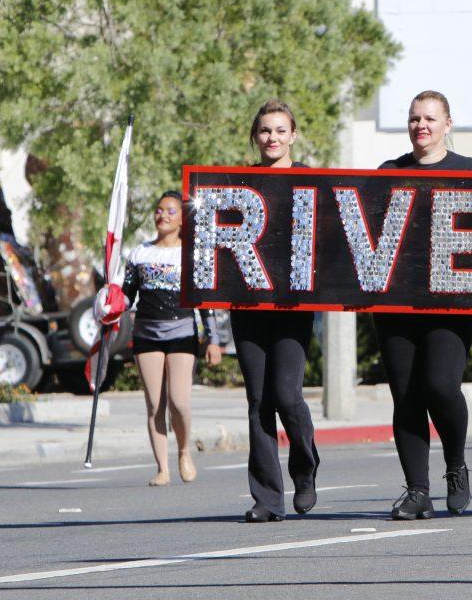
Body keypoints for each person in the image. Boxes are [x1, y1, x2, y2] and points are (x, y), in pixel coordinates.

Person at [375, 90, 472, 520]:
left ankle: (456, 465)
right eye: (415, 118)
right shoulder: (389, 171)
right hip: (396, 303)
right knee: (406, 395)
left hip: (451, 301)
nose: (421, 125)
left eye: (430, 119)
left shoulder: (469, 170)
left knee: (440, 386)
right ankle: (416, 490)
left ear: (447, 124)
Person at [233, 99, 319, 522]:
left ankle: (305, 469)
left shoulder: (309, 182)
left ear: (293, 135)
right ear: (256, 136)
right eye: (265, 131)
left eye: (280, 130)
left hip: (291, 307)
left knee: (286, 395)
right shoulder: (240, 183)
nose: (272, 138)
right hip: (248, 306)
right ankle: (267, 498)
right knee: (257, 401)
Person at [104, 191, 225, 486]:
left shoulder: (192, 254)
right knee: (155, 404)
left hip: (182, 331)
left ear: (182, 219)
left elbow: (203, 301)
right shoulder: (140, 254)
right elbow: (127, 296)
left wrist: (213, 338)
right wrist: (108, 306)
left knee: (179, 401)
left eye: (170, 211)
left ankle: (184, 451)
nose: (163, 216)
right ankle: (162, 467)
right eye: (159, 210)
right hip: (147, 333)